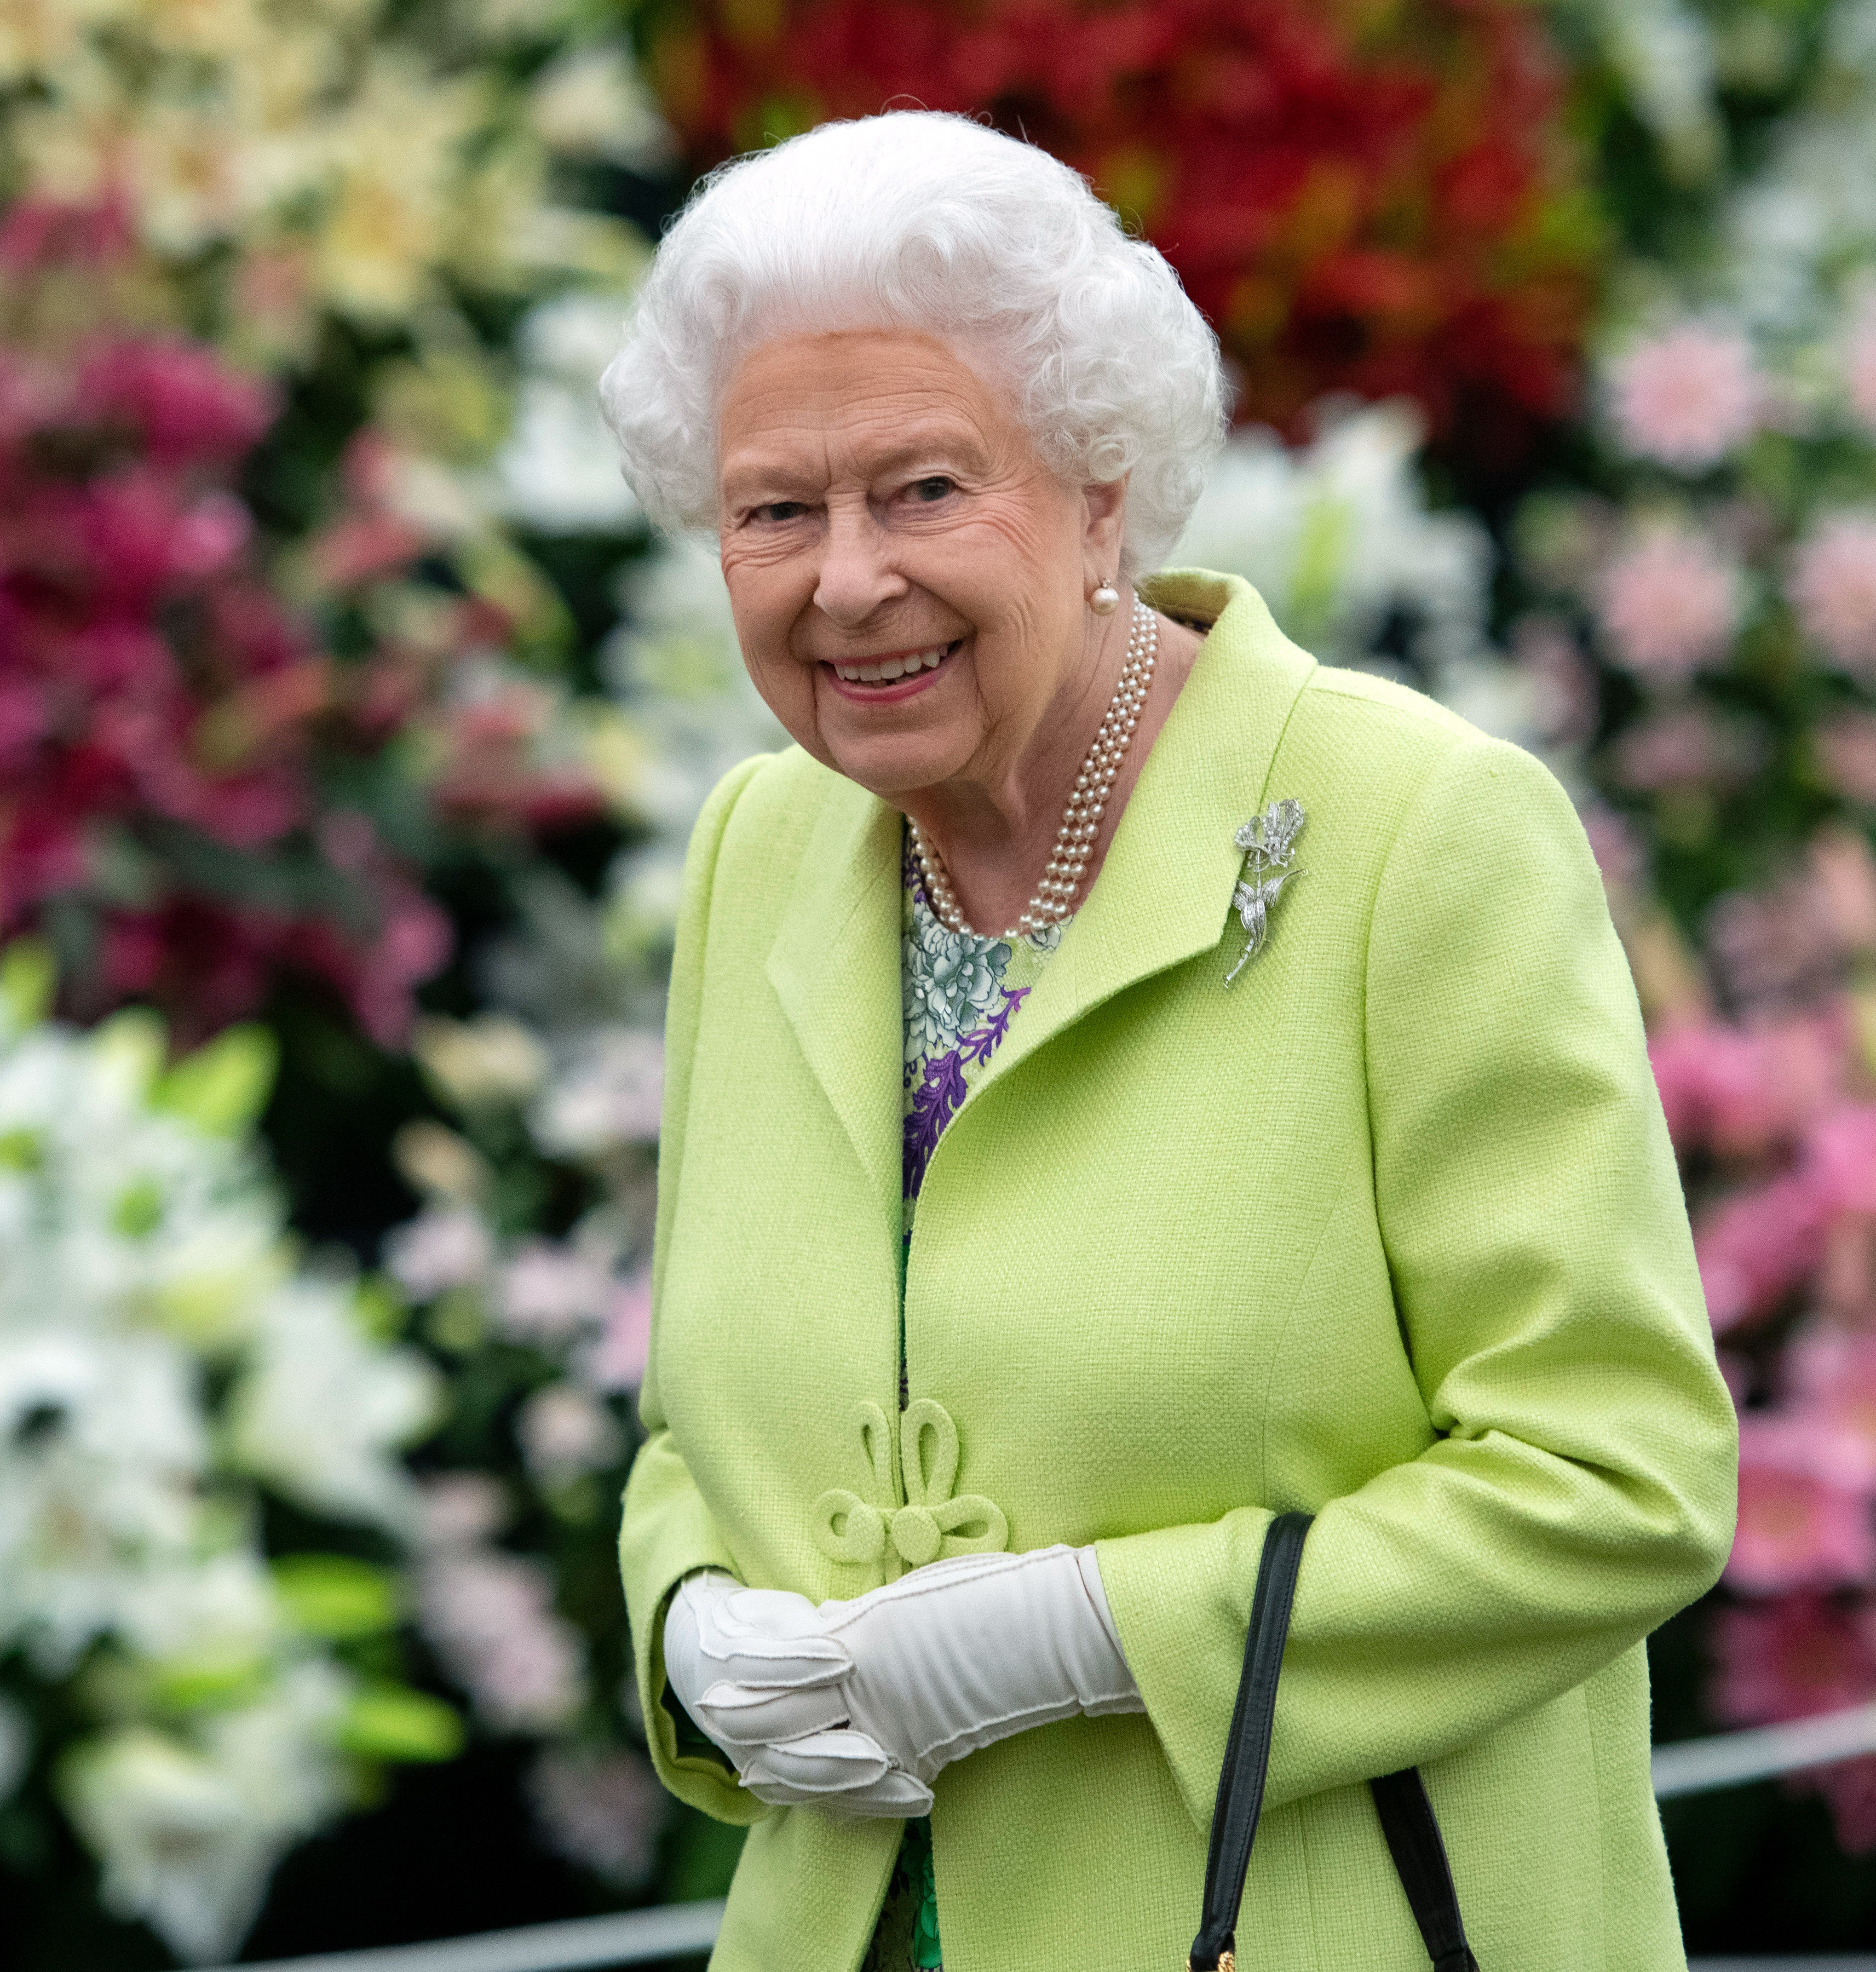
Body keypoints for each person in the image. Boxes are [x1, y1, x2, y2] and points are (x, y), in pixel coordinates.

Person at [600, 109, 1737, 1972]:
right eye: (773, 512)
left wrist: (1089, 1633)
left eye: (922, 491)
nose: (845, 581)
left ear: (1102, 487)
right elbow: (700, 1426)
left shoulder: (1412, 831)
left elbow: (1616, 1475)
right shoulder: (759, 851)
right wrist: (687, 1618)